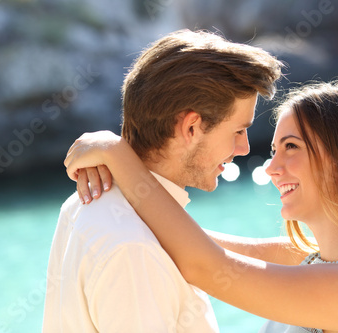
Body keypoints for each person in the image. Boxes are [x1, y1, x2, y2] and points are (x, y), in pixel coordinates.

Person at [64, 80, 338, 333]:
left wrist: (116, 154)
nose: (271, 168)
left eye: (291, 147)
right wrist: (125, 197)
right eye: (273, 150)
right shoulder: (316, 258)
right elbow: (191, 243)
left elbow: (204, 265)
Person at [42, 29, 282, 332]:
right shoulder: (135, 250)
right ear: (192, 127)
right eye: (238, 131)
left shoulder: (80, 204)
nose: (244, 148)